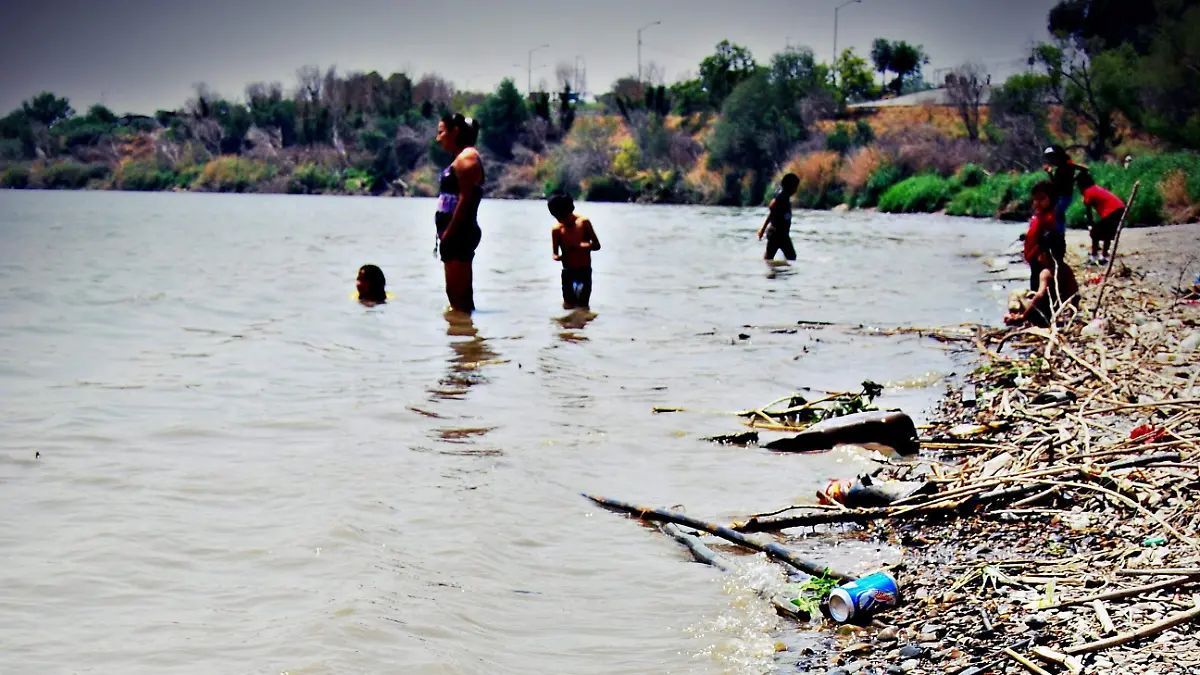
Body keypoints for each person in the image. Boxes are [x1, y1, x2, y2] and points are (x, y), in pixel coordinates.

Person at [1006, 182, 1080, 327]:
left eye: (1041, 199)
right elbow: (1075, 294)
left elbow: (1051, 237)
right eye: (1035, 199)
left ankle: (1038, 318)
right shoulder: (1039, 216)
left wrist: (1022, 317)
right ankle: (1040, 314)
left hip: (1039, 261)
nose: (1037, 202)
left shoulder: (1050, 218)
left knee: (1038, 293)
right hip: (1035, 259)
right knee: (1038, 292)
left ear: (1051, 199)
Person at [434, 113, 484, 313]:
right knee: (456, 297)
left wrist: (449, 234)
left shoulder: (467, 158)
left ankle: (464, 330)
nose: (438, 138)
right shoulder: (461, 157)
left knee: (459, 299)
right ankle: (463, 330)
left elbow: (467, 199)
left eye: (441, 132)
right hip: (456, 234)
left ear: (455, 131)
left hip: (459, 234)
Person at [548, 192, 601, 310]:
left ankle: (582, 320)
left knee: (583, 305)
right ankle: (568, 322)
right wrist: (558, 257)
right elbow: (555, 253)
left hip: (584, 271)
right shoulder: (557, 229)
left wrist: (581, 246)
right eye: (558, 218)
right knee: (568, 305)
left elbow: (597, 245)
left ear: (570, 210)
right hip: (568, 272)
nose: (562, 221)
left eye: (564, 218)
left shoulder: (584, 223)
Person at [1042, 146, 1087, 254]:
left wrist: (1050, 174)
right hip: (1064, 195)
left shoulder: (1065, 167)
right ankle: (1060, 235)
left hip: (1064, 196)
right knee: (1059, 215)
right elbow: (1084, 170)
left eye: (1052, 157)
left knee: (1057, 214)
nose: (1051, 160)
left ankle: (1059, 236)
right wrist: (1072, 181)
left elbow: (1055, 185)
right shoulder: (1066, 166)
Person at [1077, 172, 1126, 265]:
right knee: (1107, 234)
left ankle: (1094, 256)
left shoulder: (1088, 191)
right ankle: (1103, 256)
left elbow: (1088, 210)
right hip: (1120, 209)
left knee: (1094, 233)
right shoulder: (1095, 188)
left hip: (1113, 211)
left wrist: (1090, 224)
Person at [757, 173, 799, 261]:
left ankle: (770, 268)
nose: (796, 190)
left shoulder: (785, 197)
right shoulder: (782, 196)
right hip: (778, 233)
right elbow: (772, 210)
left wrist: (763, 230)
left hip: (779, 233)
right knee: (791, 257)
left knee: (769, 258)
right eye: (795, 187)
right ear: (790, 187)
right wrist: (762, 230)